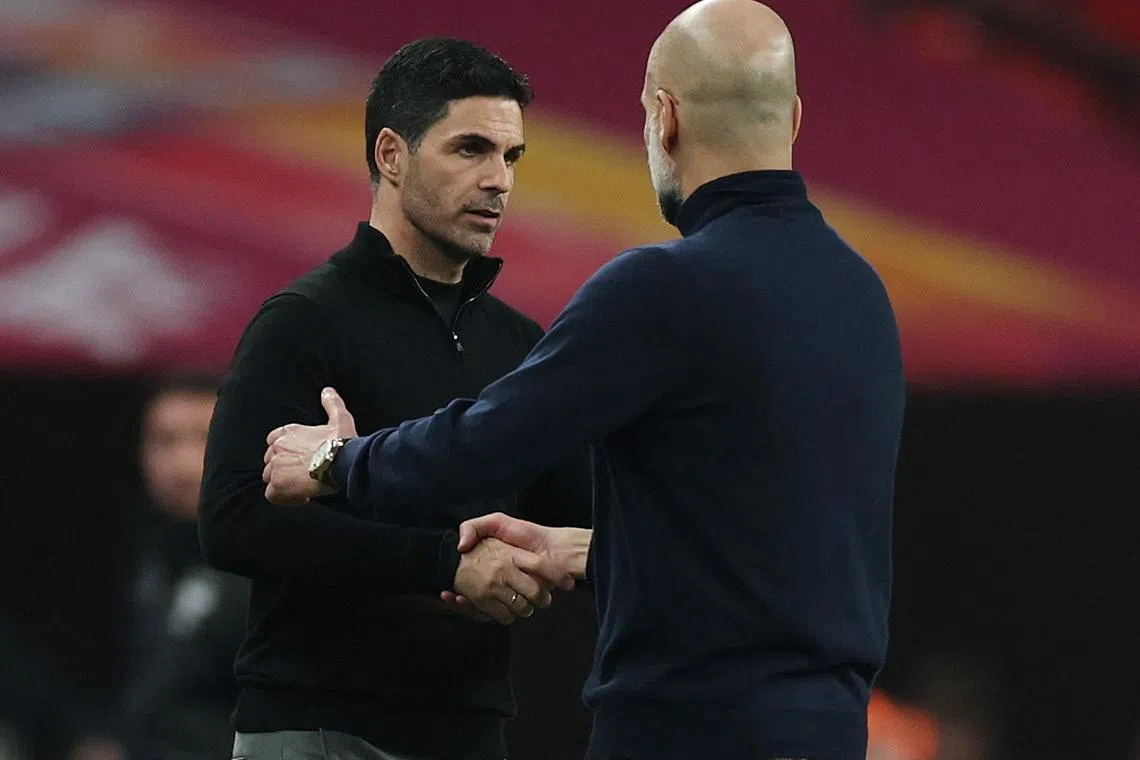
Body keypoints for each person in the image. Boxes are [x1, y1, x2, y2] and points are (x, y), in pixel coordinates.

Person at [262, 2, 906, 759]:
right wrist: (593, 553)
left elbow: (481, 446)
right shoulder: (863, 294)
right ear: (793, 118)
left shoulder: (664, 288)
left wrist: (336, 460)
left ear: (665, 117)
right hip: (831, 733)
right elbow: (768, 540)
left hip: (688, 732)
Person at [197, 37, 591, 760]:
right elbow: (233, 520)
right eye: (471, 149)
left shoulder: (524, 344)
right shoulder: (305, 320)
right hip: (321, 725)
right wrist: (444, 563)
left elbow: (578, 518)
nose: (499, 180)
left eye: (512, 156)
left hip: (471, 727)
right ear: (391, 155)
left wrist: (532, 568)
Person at [118, 374, 247, 760]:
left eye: (202, 438)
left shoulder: (272, 561)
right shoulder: (147, 555)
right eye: (165, 440)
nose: (183, 463)